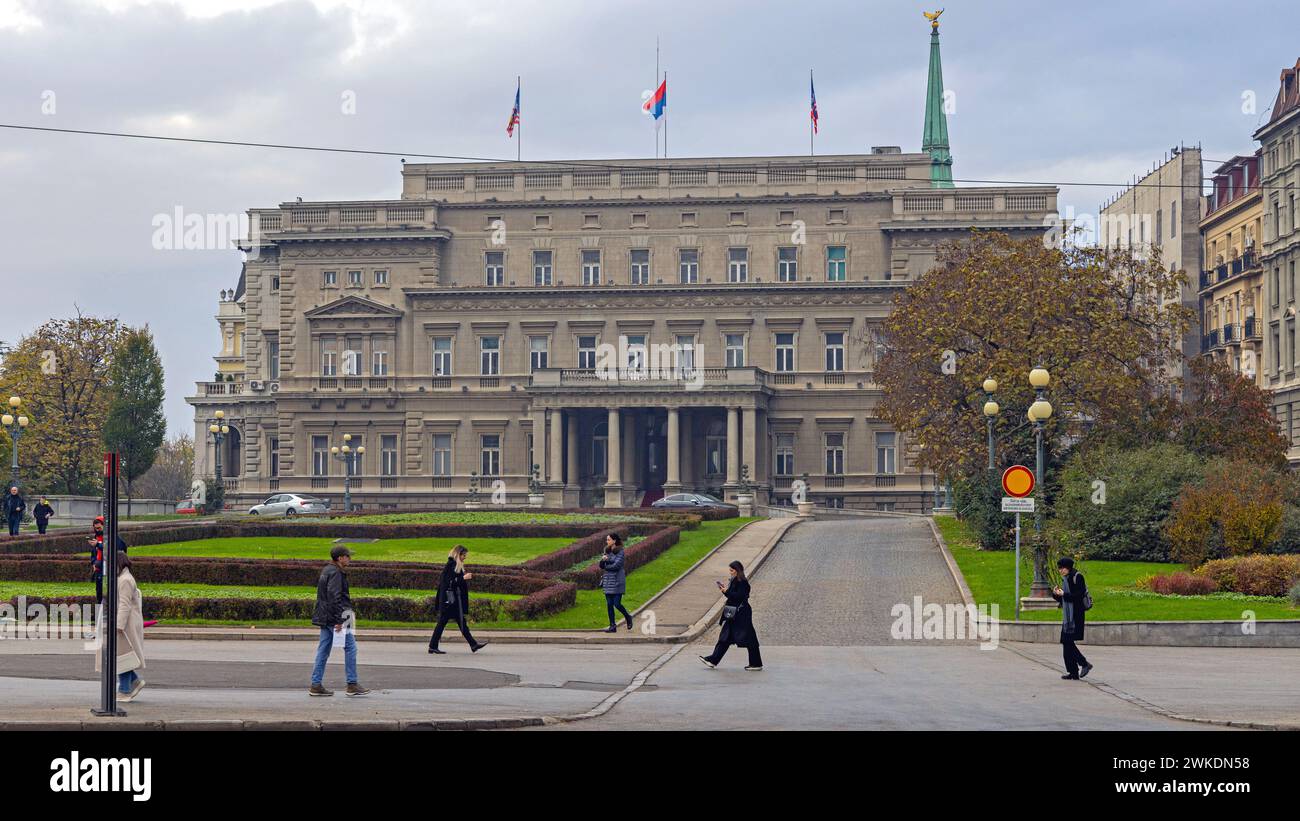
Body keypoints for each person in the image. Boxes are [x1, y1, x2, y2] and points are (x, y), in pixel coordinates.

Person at [309, 545, 370, 697]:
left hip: (325, 616)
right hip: (338, 616)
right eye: (348, 556)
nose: (350, 559)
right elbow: (334, 597)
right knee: (351, 648)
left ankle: (316, 684)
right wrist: (339, 620)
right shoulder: (336, 572)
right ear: (340, 558)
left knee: (323, 650)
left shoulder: (327, 570)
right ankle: (352, 684)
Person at [93, 552, 146, 702]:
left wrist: (119, 626)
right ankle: (134, 681)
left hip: (126, 624)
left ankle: (124, 690)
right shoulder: (122, 578)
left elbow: (125, 604)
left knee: (121, 656)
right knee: (123, 654)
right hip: (125, 622)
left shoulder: (125, 580)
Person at [699, 560, 763, 671]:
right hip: (734, 614)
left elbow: (740, 597)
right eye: (730, 570)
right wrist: (725, 591)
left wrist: (727, 592)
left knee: (749, 638)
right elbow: (732, 596)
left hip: (741, 615)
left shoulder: (742, 582)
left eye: (732, 570)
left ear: (738, 571)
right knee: (725, 637)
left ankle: (756, 663)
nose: (730, 572)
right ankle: (713, 659)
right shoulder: (735, 581)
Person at [428, 544, 488, 654]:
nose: (465, 557)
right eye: (464, 555)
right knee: (443, 623)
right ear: (458, 554)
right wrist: (463, 578)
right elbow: (449, 583)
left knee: (461, 622)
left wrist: (461, 578)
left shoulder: (455, 565)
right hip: (449, 602)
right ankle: (432, 646)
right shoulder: (451, 565)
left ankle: (473, 644)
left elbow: (454, 581)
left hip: (453, 602)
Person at [1052, 557, 1093, 680]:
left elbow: (1078, 596)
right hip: (1068, 617)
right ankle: (1073, 672)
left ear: (1068, 567)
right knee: (1066, 642)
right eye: (1059, 568)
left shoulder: (1077, 577)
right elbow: (1064, 600)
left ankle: (1084, 664)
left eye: (1062, 568)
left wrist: (1064, 594)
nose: (1060, 571)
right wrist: (1056, 594)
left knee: (1067, 641)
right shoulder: (1066, 579)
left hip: (1076, 615)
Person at [89, 516, 128, 605]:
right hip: (99, 571)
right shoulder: (97, 538)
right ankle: (100, 616)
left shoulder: (113, 538)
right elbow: (93, 554)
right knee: (99, 596)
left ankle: (108, 615)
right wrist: (94, 562)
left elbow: (113, 550)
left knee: (110, 596)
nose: (97, 530)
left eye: (99, 528)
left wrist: (98, 545)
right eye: (95, 528)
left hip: (110, 572)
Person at [599, 533, 633, 633]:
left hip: (617, 580)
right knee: (609, 604)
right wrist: (603, 560)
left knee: (617, 604)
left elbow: (617, 565)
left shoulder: (620, 551)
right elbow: (601, 566)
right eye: (607, 539)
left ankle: (628, 616)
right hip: (608, 580)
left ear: (614, 541)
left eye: (609, 539)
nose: (607, 541)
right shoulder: (607, 551)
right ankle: (612, 626)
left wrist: (607, 562)